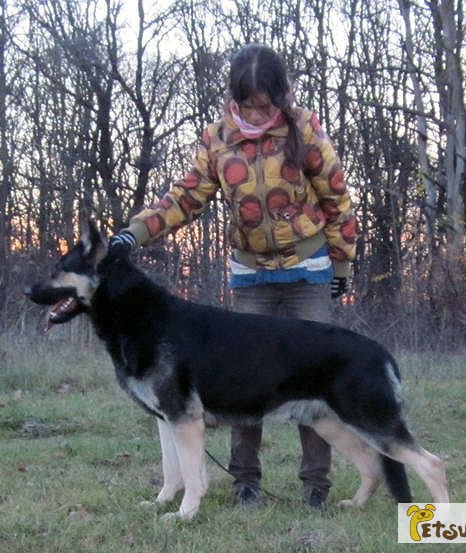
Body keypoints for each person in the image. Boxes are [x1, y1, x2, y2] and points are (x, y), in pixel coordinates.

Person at [108, 44, 357, 510]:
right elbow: (185, 197)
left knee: (314, 378)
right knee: (242, 377)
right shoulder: (217, 138)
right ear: (234, 98)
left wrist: (341, 265)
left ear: (280, 95)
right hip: (251, 276)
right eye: (247, 104)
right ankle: (246, 482)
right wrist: (134, 233)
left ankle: (316, 488)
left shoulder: (304, 128)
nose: (255, 113)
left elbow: (336, 199)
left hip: (309, 272)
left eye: (264, 103)